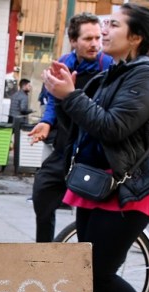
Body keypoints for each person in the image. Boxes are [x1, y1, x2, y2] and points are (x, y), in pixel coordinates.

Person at [43, 3, 149, 292]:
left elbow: (113, 127)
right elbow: (85, 126)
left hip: (127, 190)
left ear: (135, 37)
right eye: (105, 23)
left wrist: (72, 96)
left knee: (97, 274)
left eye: (113, 24)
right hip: (97, 184)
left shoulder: (147, 76)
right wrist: (63, 93)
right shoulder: (115, 73)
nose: (104, 30)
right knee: (91, 273)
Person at [29, 13, 112, 242]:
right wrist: (47, 122)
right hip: (65, 145)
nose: (94, 44)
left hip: (94, 151)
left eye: (98, 38)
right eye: (88, 39)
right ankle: (45, 251)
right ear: (73, 41)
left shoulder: (108, 65)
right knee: (42, 192)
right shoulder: (64, 63)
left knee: (91, 215)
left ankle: (91, 255)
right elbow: (53, 99)